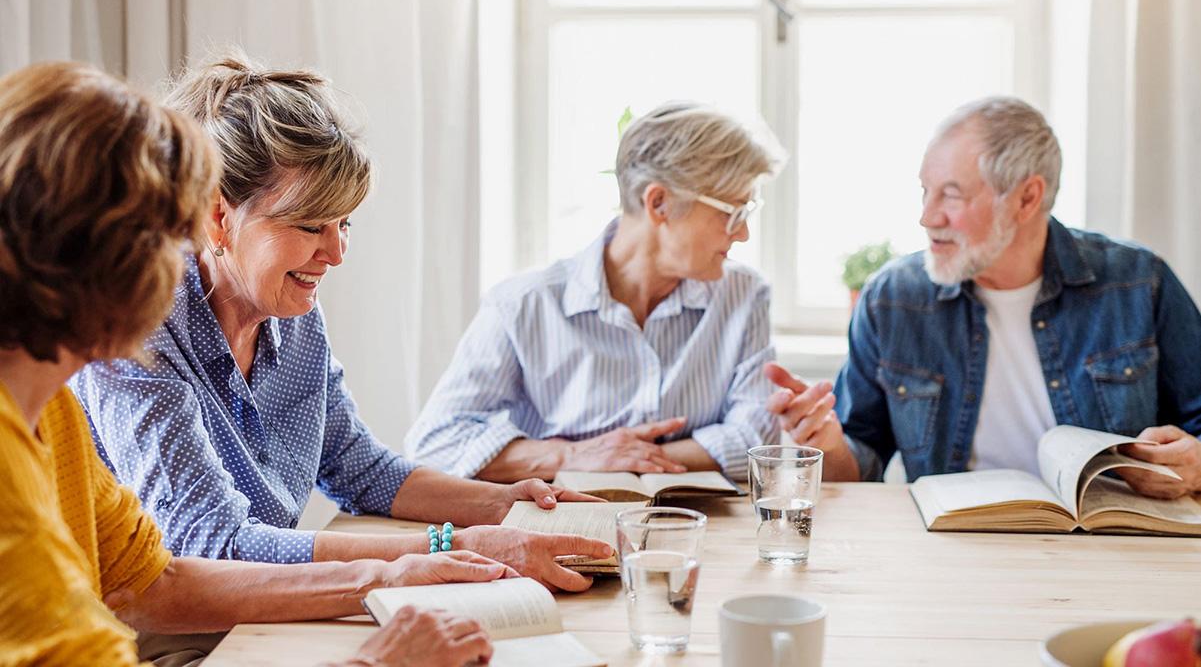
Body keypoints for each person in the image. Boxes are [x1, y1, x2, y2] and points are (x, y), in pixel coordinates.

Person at [0, 61, 506, 667]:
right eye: (169, 231)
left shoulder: (51, 411)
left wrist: (392, 577)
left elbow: (151, 584)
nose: (183, 258)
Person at [71, 52, 611, 593]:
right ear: (217, 214)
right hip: (149, 629)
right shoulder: (138, 330)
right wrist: (454, 545)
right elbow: (214, 544)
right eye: (310, 226)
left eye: (344, 222)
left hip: (258, 606)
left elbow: (356, 466)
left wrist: (501, 502)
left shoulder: (293, 312)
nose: (335, 252)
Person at [766, 96, 1201, 499]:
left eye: (951, 194)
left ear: (1027, 198)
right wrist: (825, 443)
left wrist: (1193, 461)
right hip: (953, 547)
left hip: (1110, 548)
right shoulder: (894, 299)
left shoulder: (1140, 283)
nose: (927, 216)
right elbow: (860, 463)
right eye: (925, 191)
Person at [405, 101, 784, 482]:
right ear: (659, 203)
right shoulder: (523, 305)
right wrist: (572, 455)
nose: (743, 233)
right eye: (733, 213)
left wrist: (628, 457)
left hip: (702, 528)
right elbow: (435, 443)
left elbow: (756, 437)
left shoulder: (744, 295)